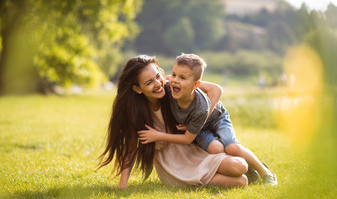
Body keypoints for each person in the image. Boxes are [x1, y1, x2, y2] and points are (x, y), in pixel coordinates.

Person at [98, 55, 250, 189]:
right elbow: (131, 147)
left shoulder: (172, 89)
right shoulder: (136, 113)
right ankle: (211, 177)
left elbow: (214, 89)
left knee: (240, 166)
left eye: (158, 76)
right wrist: (123, 184)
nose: (158, 84)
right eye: (149, 82)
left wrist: (201, 119)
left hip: (192, 150)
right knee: (242, 181)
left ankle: (254, 169)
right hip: (172, 165)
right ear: (138, 89)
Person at [138, 53, 277, 186]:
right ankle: (242, 169)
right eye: (174, 75)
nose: (175, 80)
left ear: (195, 85)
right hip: (198, 127)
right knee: (216, 149)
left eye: (182, 78)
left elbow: (188, 138)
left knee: (232, 147)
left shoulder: (200, 107)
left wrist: (158, 135)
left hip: (217, 118)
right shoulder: (168, 85)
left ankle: (265, 172)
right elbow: (163, 81)